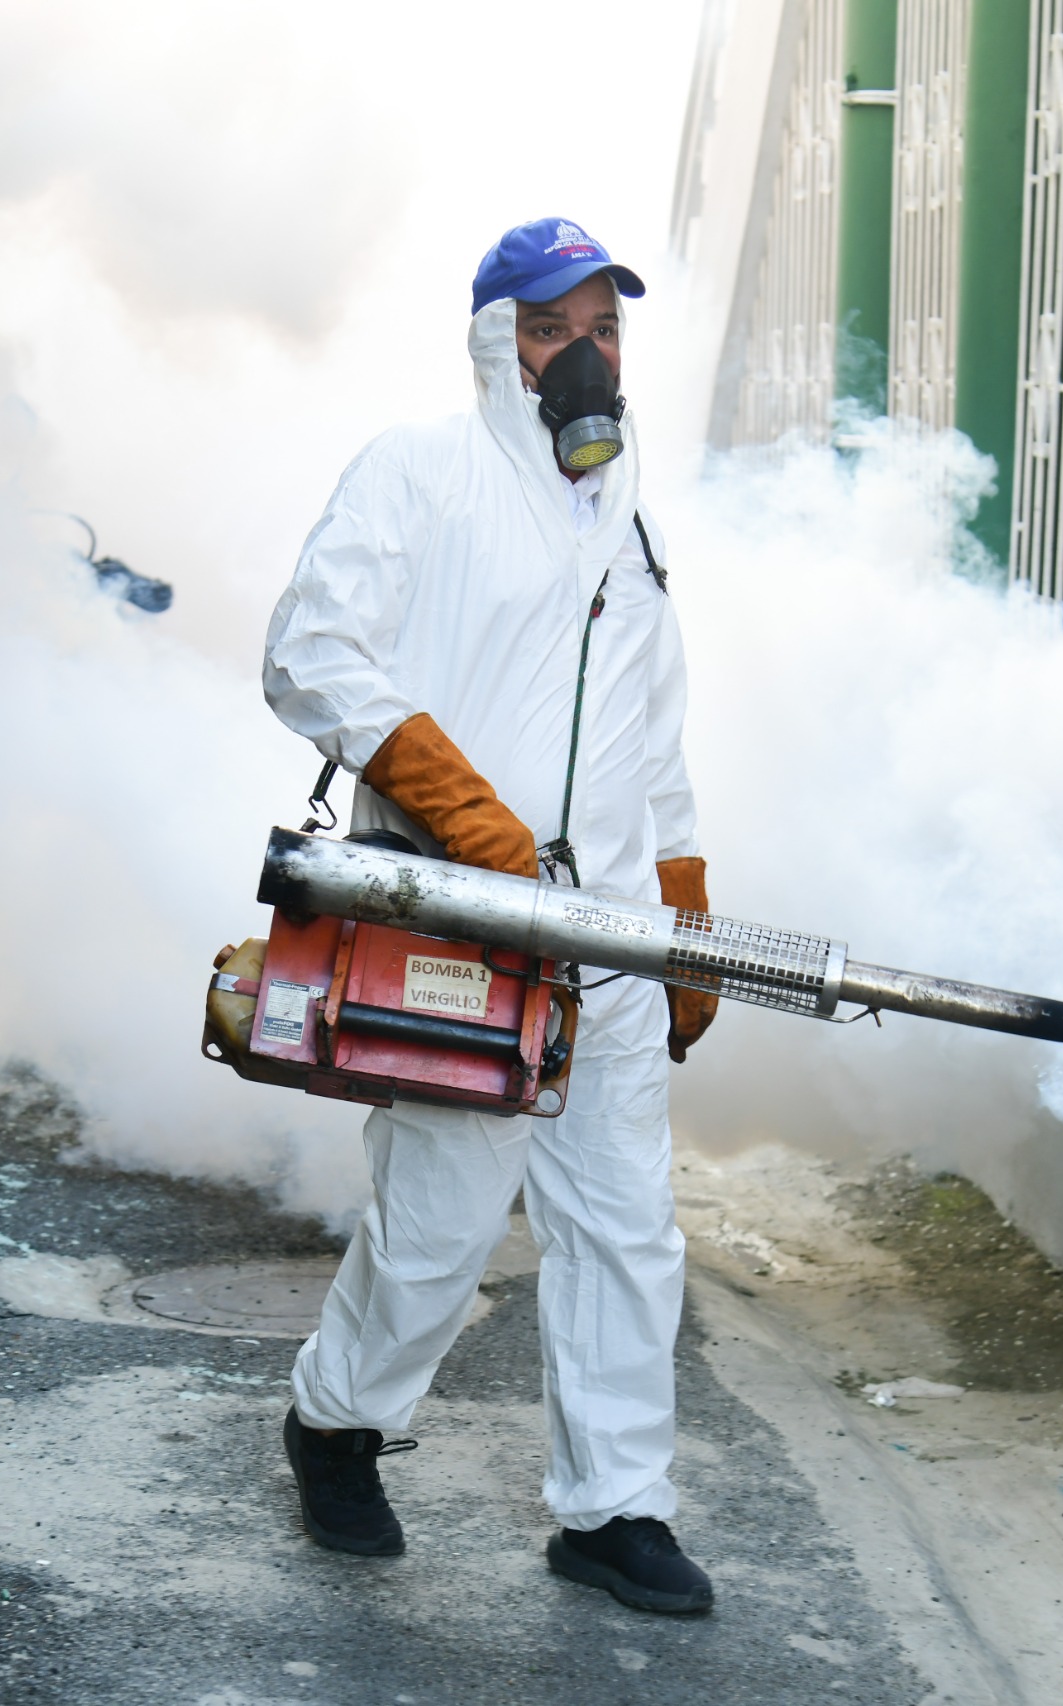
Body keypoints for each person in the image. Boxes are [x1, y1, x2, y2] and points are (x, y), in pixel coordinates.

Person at [260, 218, 719, 1615]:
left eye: (605, 329)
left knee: (625, 1229)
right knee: (441, 1224)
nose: (584, 356)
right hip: (464, 920)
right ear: (494, 344)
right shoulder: (420, 473)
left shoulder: (632, 517)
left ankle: (615, 1508)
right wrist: (459, 809)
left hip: (612, 937)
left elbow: (653, 731)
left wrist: (684, 896)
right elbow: (309, 650)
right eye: (550, 328)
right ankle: (338, 1421)